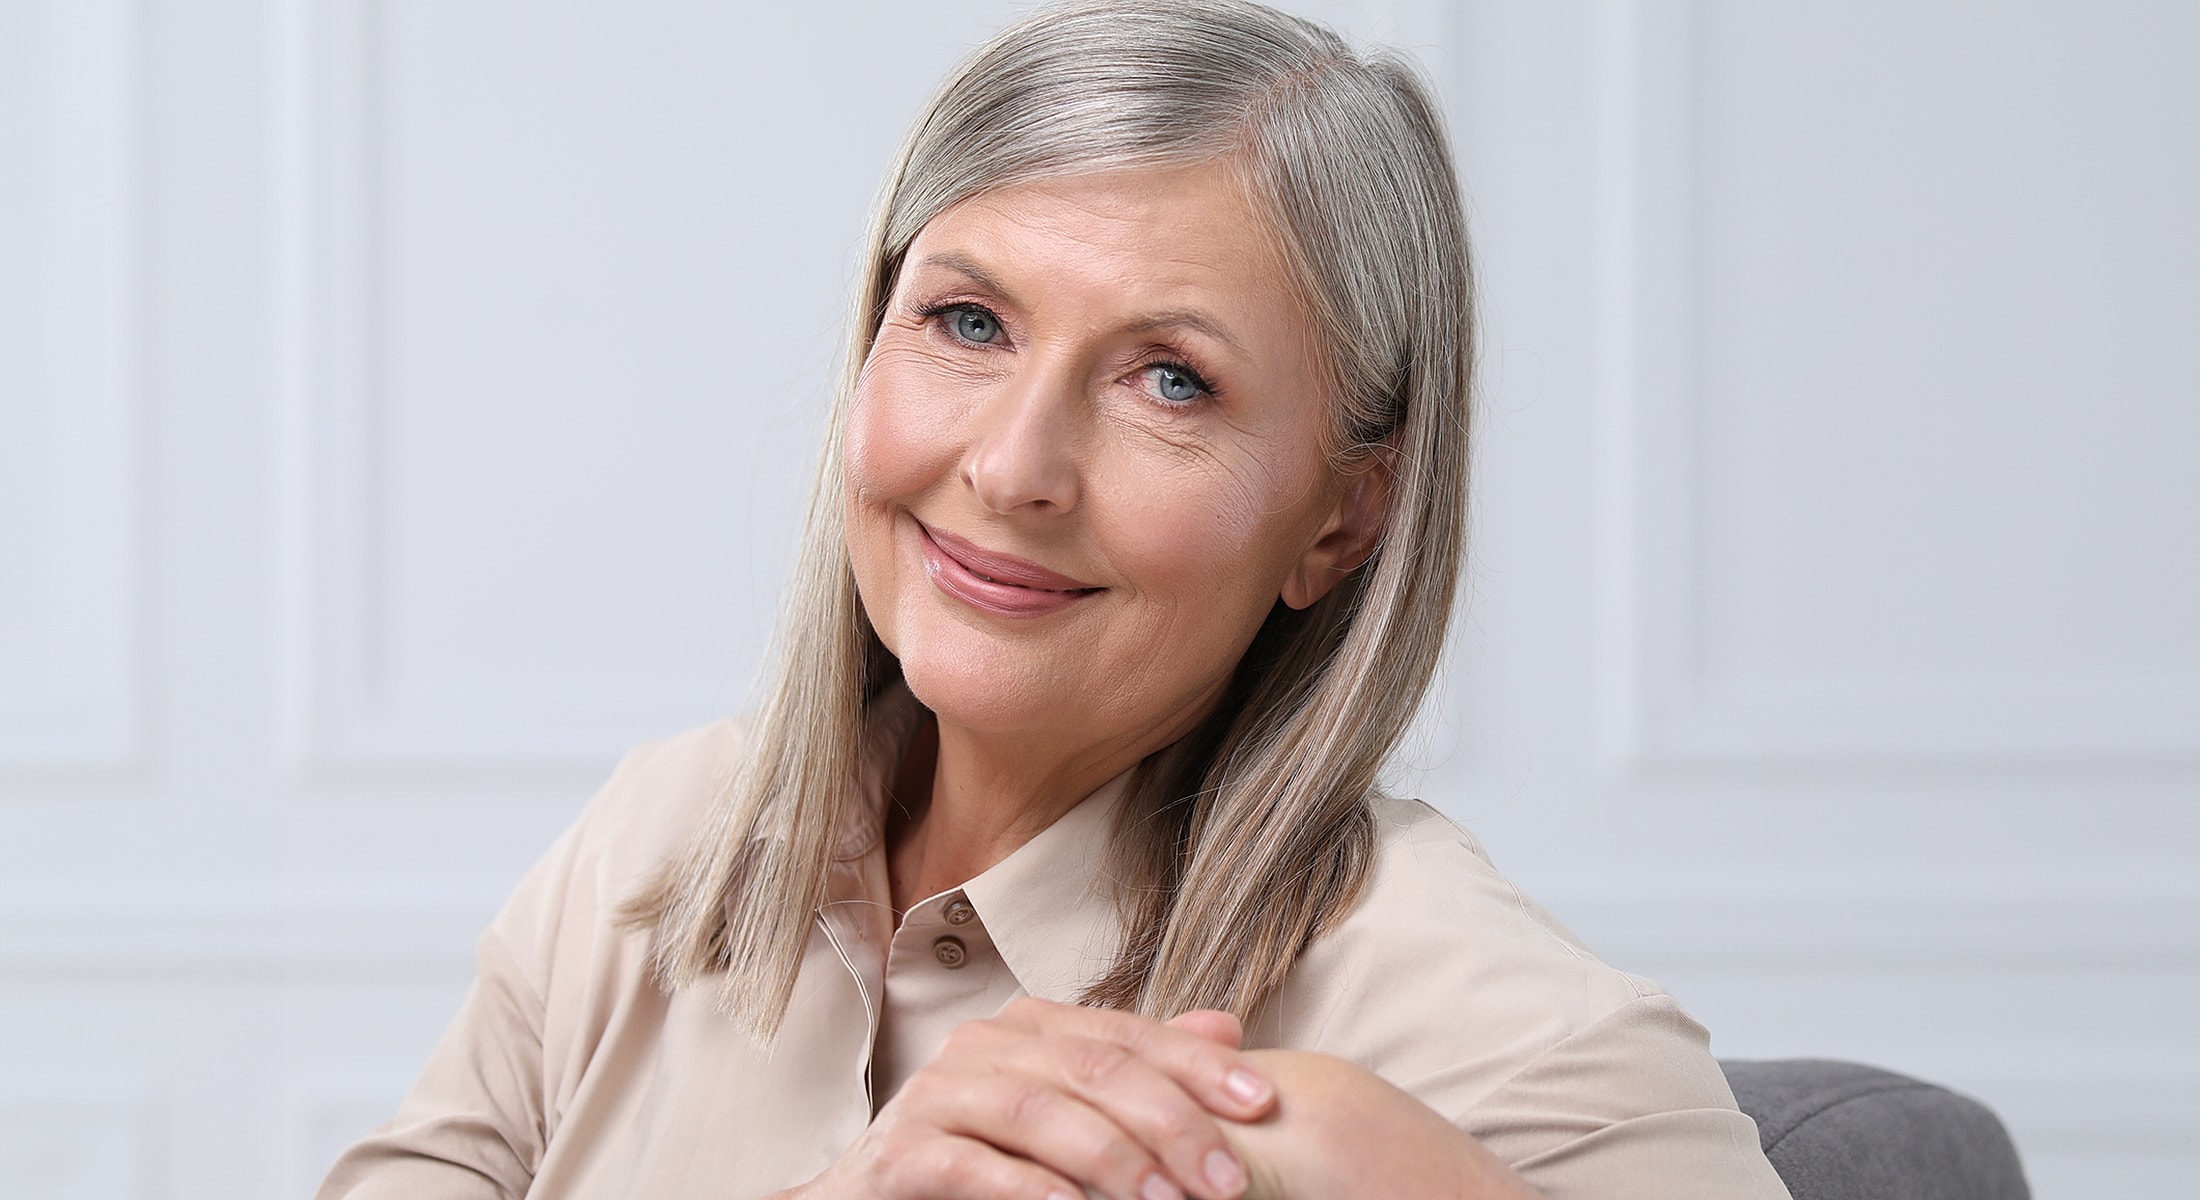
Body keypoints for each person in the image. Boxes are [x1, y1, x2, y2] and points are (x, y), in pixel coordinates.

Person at [318, 2, 1791, 1197]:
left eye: (1171, 380)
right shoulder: (656, 845)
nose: (1015, 467)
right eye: (969, 321)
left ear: (1344, 519)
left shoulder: (1478, 1024)